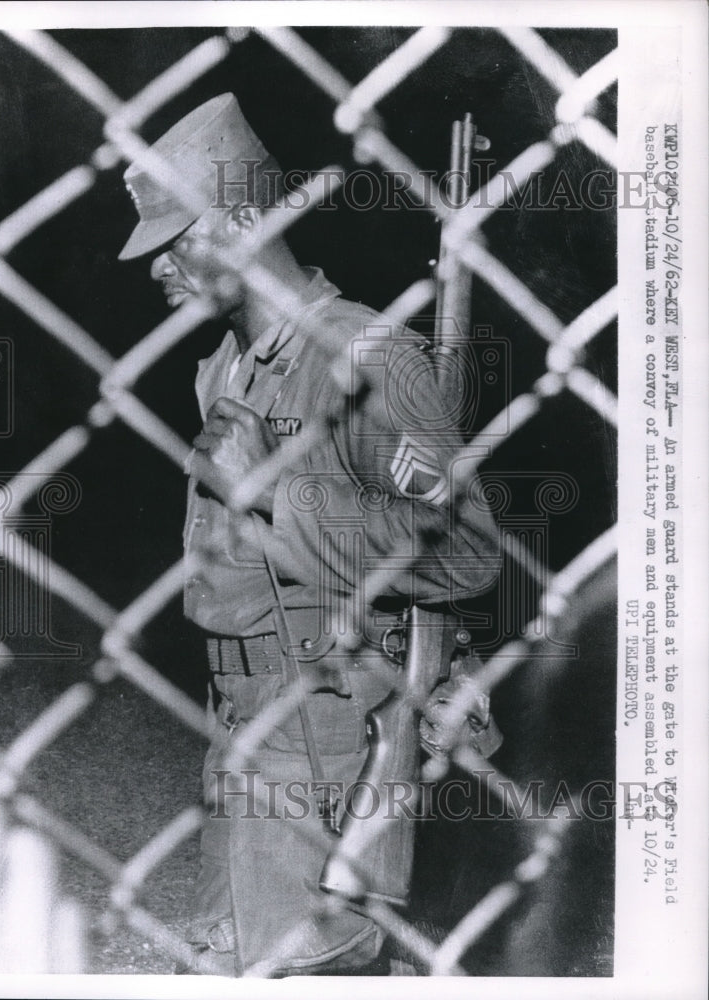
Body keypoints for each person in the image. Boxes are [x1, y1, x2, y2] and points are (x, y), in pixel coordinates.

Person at [118, 92, 500, 976]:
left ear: (247, 222)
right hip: (245, 725)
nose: (155, 269)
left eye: (178, 240)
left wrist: (277, 488)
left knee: (299, 968)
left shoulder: (366, 358)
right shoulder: (224, 369)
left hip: (326, 738)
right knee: (221, 958)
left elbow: (468, 553)